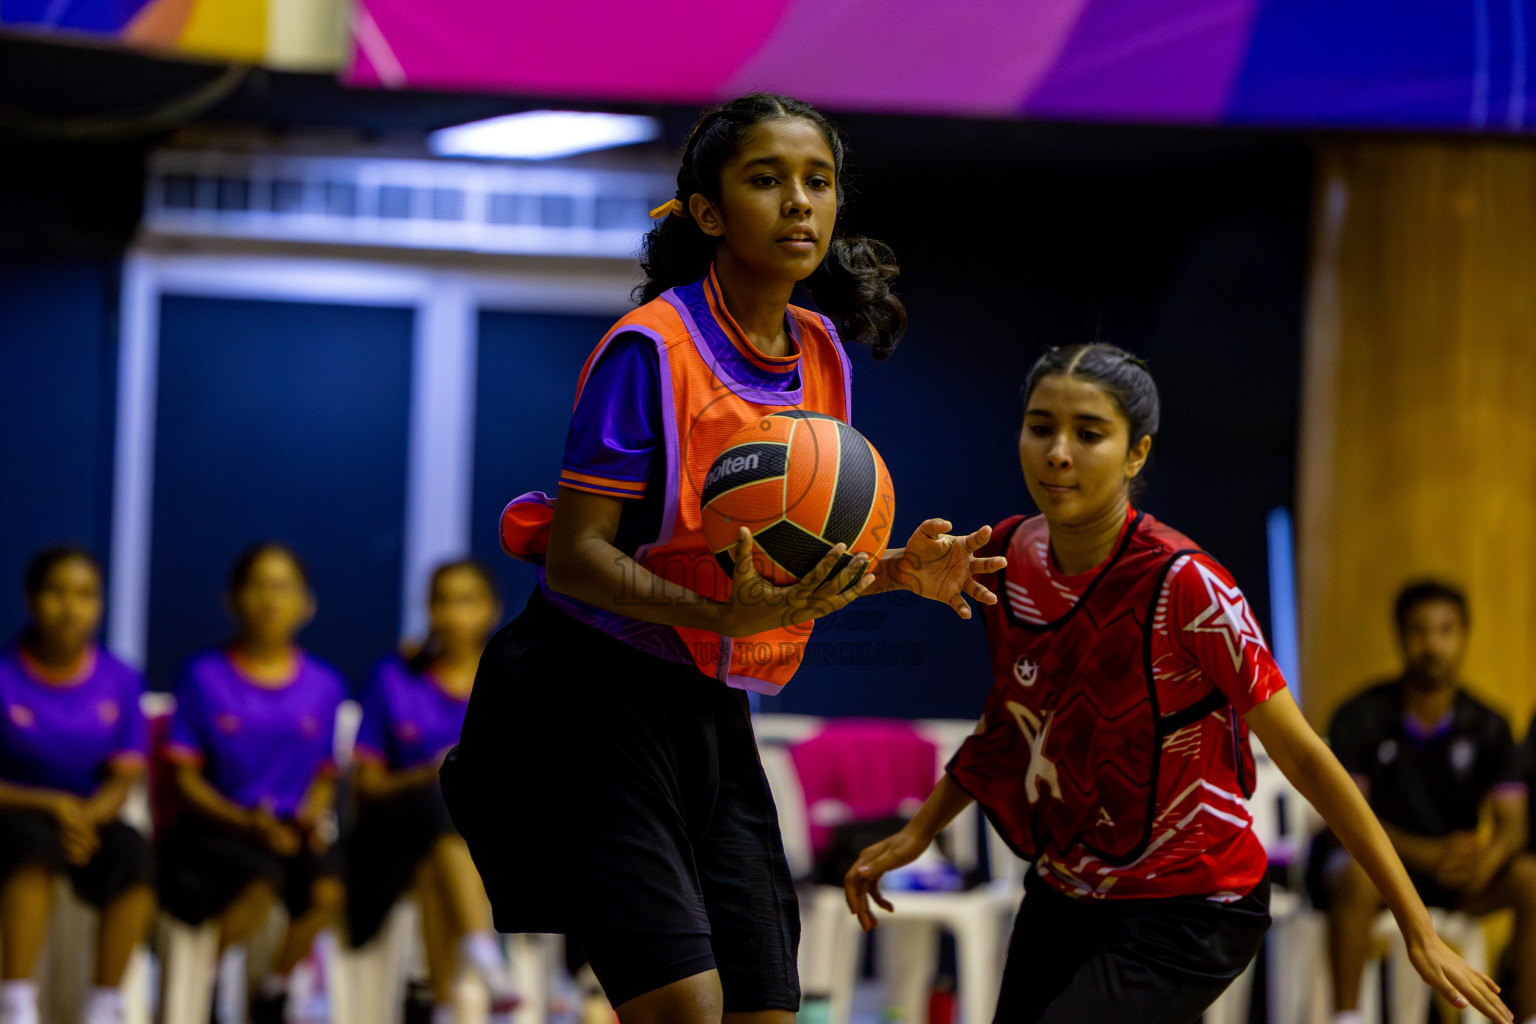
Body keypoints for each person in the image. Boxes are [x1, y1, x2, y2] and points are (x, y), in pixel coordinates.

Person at [441, 92, 1004, 1024]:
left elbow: (785, 563)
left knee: (766, 1010)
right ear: (708, 213)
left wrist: (898, 569)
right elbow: (576, 559)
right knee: (686, 1011)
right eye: (766, 180)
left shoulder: (821, 351)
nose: (798, 203)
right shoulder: (649, 350)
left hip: (706, 693)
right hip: (586, 694)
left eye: (817, 182)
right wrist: (723, 618)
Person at [843, 344, 1511, 1024]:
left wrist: (1417, 925)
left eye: (1090, 433)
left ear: (1137, 454)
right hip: (1070, 887)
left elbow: (1306, 754)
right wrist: (918, 831)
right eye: (1041, 427)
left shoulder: (1186, 584)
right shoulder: (1009, 554)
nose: (1058, 452)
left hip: (1193, 902)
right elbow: (1012, 721)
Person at [1313, 581, 1535, 1024]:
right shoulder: (1359, 716)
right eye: (1419, 631)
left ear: (1464, 635)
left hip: (1456, 876)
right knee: (1353, 873)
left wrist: (1487, 860)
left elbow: (1512, 824)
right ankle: (1348, 1017)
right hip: (1379, 870)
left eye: (1445, 630)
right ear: (1400, 635)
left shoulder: (1488, 724)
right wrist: (1431, 857)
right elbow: (1349, 820)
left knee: (1531, 877)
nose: (1433, 644)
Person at [158, 542, 346, 1024]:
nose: (270, 599)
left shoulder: (324, 685)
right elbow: (185, 780)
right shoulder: (203, 676)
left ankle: (275, 989)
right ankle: (207, 983)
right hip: (216, 829)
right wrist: (244, 822)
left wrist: (309, 813)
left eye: (283, 587)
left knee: (330, 891)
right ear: (233, 599)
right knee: (261, 880)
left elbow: (325, 774)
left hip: (288, 828)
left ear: (307, 604)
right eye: (258, 586)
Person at [347, 559, 518, 1024]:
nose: (453, 613)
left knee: (436, 850)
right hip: (394, 837)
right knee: (442, 791)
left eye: (468, 600)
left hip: (496, 836)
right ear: (428, 609)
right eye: (442, 600)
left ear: (492, 609)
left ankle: (445, 1002)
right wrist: (428, 773)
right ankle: (485, 954)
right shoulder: (395, 679)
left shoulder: (512, 681)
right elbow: (369, 786)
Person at [0, 546, 155, 1024]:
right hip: (14, 812)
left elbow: (125, 774)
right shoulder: (5, 673)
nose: (71, 607)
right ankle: (16, 1003)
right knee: (33, 848)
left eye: (85, 595)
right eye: (56, 592)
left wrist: (84, 817)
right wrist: (53, 806)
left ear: (100, 605)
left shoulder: (120, 678)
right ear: (30, 599)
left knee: (137, 858)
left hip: (90, 815)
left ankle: (104, 1005)